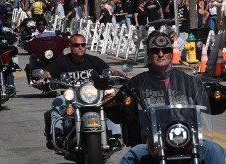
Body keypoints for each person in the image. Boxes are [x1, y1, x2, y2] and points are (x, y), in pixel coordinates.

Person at [102, 31, 226, 164]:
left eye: (165, 50)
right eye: (155, 51)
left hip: (189, 142)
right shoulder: (136, 84)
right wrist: (112, 106)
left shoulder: (189, 81)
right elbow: (122, 114)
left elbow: (211, 105)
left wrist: (219, 97)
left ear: (171, 53)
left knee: (214, 150)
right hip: (152, 145)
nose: (160, 54)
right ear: (149, 54)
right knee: (130, 157)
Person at [42, 34, 129, 149]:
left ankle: (115, 135)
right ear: (70, 47)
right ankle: (58, 135)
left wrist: (124, 76)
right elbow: (48, 73)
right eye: (77, 45)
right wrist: (42, 79)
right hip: (72, 96)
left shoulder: (93, 60)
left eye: (83, 45)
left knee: (110, 103)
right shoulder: (62, 61)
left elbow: (109, 71)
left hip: (94, 95)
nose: (80, 47)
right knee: (57, 104)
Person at [25, 17, 56, 83]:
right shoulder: (33, 34)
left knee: (61, 55)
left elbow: (57, 39)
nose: (41, 26)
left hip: (50, 52)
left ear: (45, 25)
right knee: (32, 57)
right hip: (40, 52)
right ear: (36, 25)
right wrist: (27, 42)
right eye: (39, 24)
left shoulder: (51, 33)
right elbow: (28, 42)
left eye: (42, 24)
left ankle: (64, 74)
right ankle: (32, 77)